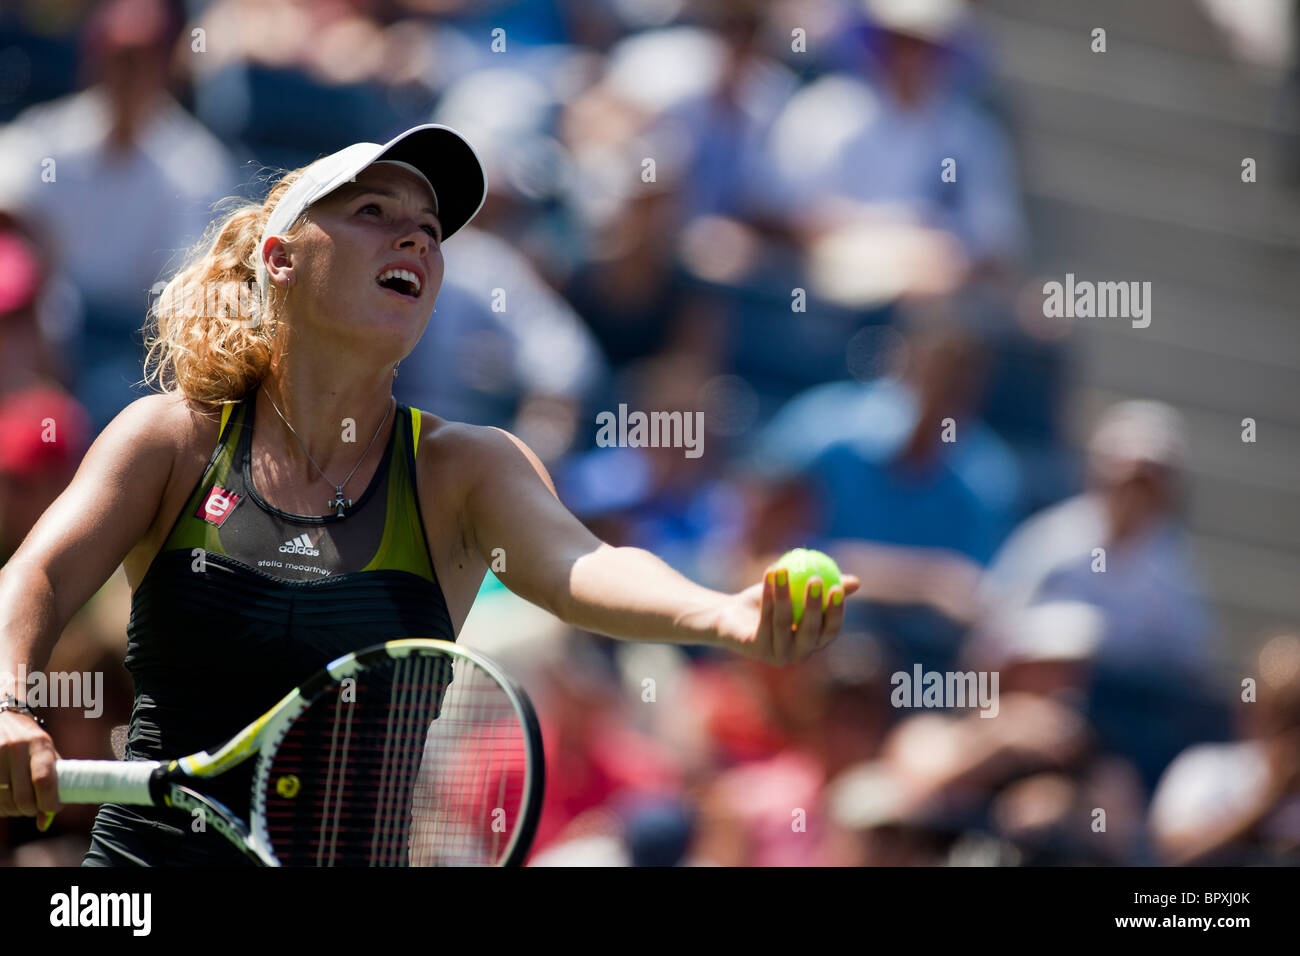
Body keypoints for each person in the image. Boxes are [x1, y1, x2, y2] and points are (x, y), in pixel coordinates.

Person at [0, 123, 858, 866]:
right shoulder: (172, 441)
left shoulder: (465, 470)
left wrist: (724, 616)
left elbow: (583, 568)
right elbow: (37, 576)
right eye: (374, 212)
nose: (412, 238)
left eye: (429, 230)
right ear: (281, 259)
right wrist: (7, 704)